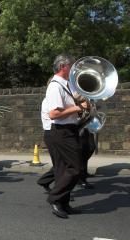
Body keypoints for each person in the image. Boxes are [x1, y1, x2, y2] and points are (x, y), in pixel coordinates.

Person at [44, 54, 89, 219]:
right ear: (63, 66)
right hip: (62, 131)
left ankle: (63, 203)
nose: (73, 69)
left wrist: (85, 101)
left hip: (69, 129)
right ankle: (55, 198)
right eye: (71, 66)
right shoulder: (55, 86)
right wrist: (77, 108)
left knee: (64, 170)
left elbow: (75, 102)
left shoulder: (67, 84)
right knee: (76, 168)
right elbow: (54, 114)